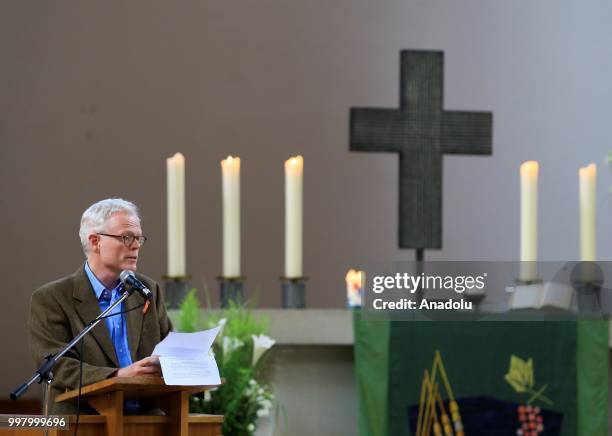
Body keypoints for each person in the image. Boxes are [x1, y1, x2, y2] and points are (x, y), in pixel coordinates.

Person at [28, 198, 172, 414]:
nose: (136, 245)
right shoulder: (52, 298)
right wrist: (118, 376)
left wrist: (189, 359)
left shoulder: (146, 290)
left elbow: (168, 346)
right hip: (84, 420)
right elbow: (55, 365)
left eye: (139, 238)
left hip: (146, 421)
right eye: (127, 237)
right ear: (95, 241)